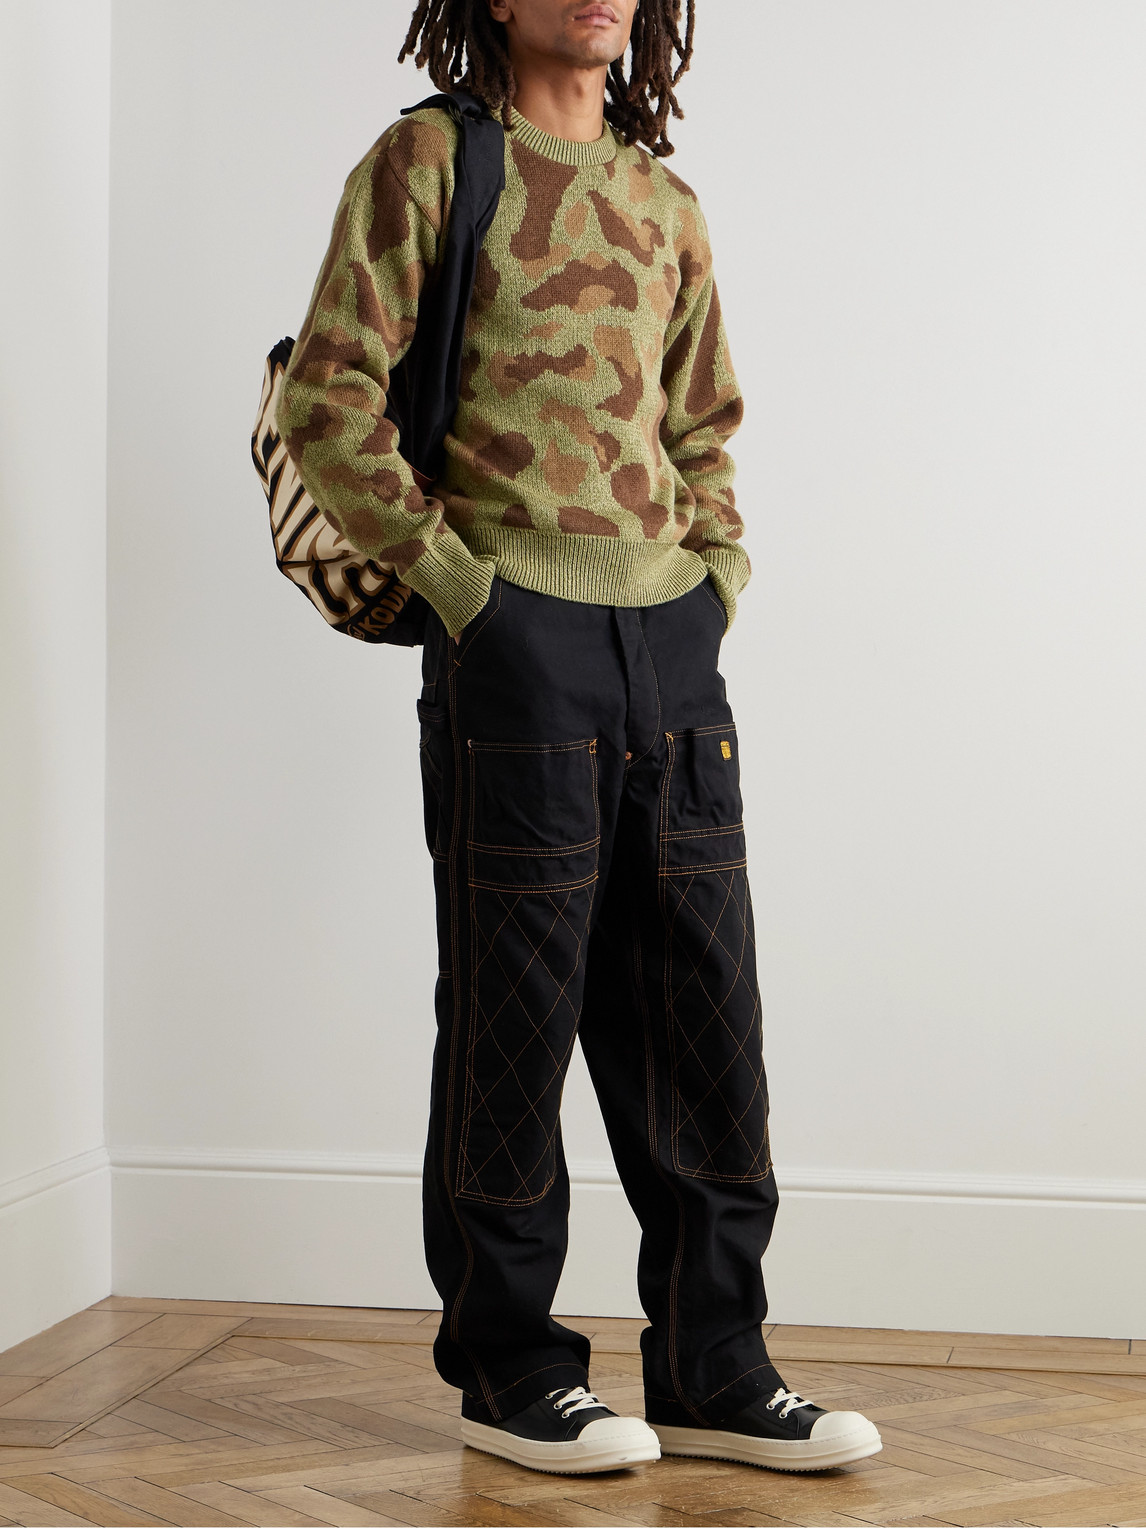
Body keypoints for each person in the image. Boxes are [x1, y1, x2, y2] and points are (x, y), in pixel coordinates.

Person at [277, 0, 881, 1478]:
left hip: (669, 643)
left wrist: (713, 579)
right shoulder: (430, 162)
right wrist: (462, 591)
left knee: (703, 1018)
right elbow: (328, 397)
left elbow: (703, 424)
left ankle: (716, 1366)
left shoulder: (665, 202)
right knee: (513, 1017)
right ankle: (511, 1370)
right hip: (515, 643)